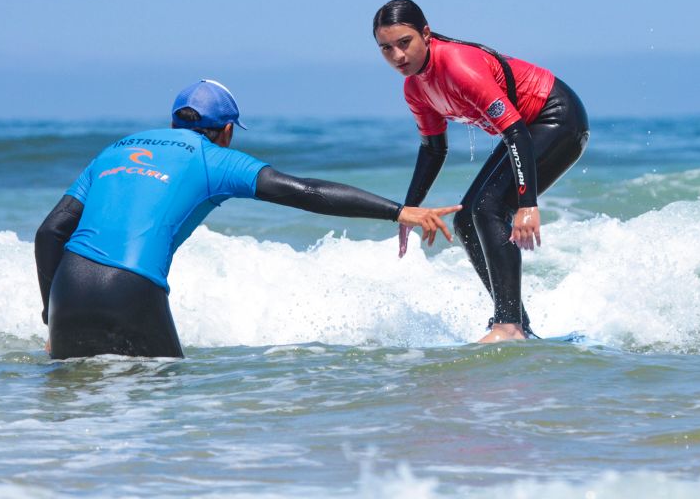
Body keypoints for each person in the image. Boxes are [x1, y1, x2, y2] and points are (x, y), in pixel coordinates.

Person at [35, 79, 460, 359]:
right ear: (227, 131)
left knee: (78, 414)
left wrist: (51, 314)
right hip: (131, 287)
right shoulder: (214, 158)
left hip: (67, 288)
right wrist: (399, 210)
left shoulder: (116, 148)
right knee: (159, 411)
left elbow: (50, 231)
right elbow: (305, 191)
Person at [372, 0, 589, 343]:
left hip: (557, 118)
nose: (397, 56)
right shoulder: (415, 88)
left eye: (404, 43)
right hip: (524, 130)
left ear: (425, 34)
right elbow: (433, 150)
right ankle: (519, 324)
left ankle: (508, 326)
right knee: (464, 219)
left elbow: (515, 131)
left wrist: (527, 203)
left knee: (489, 209)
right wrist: (408, 210)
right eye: (386, 49)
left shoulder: (459, 66)